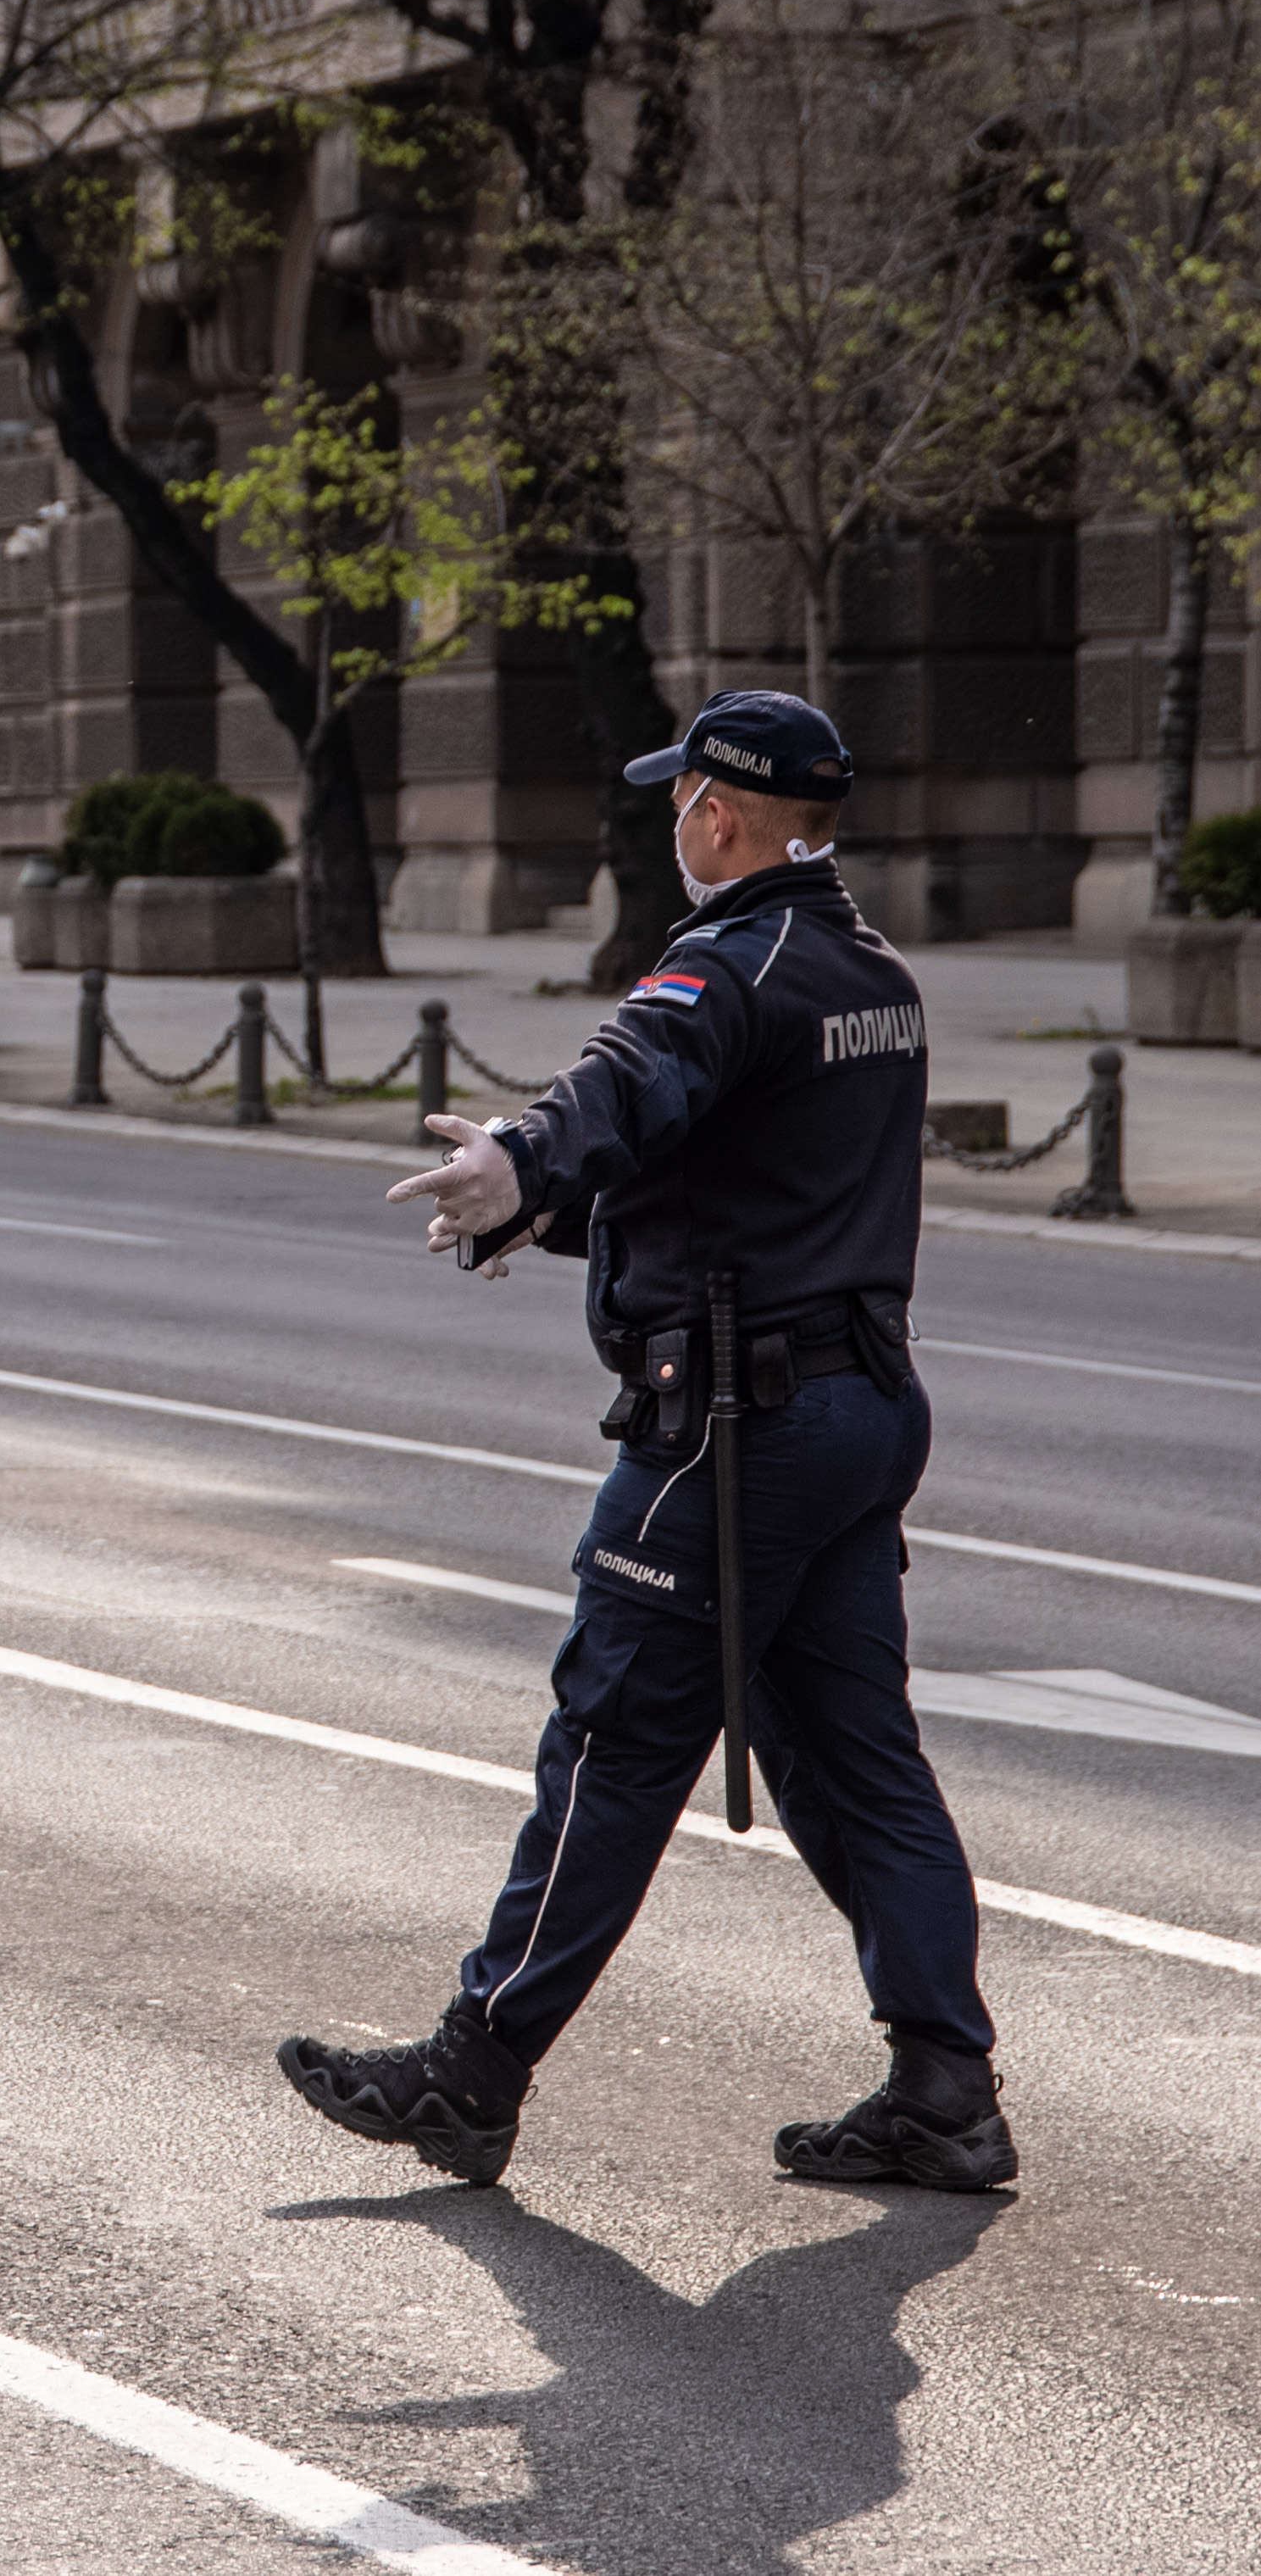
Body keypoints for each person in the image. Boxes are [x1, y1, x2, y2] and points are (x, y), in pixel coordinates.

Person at [278, 691, 1015, 2194]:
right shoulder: (869, 970)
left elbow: (633, 1082)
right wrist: (550, 1213)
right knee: (852, 1759)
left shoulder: (723, 961)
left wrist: (520, 1159)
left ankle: (473, 2068)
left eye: (678, 796)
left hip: (731, 1430)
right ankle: (943, 2087)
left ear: (722, 815)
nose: (668, 816)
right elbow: (734, 1172)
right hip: (856, 1403)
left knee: (610, 1738)